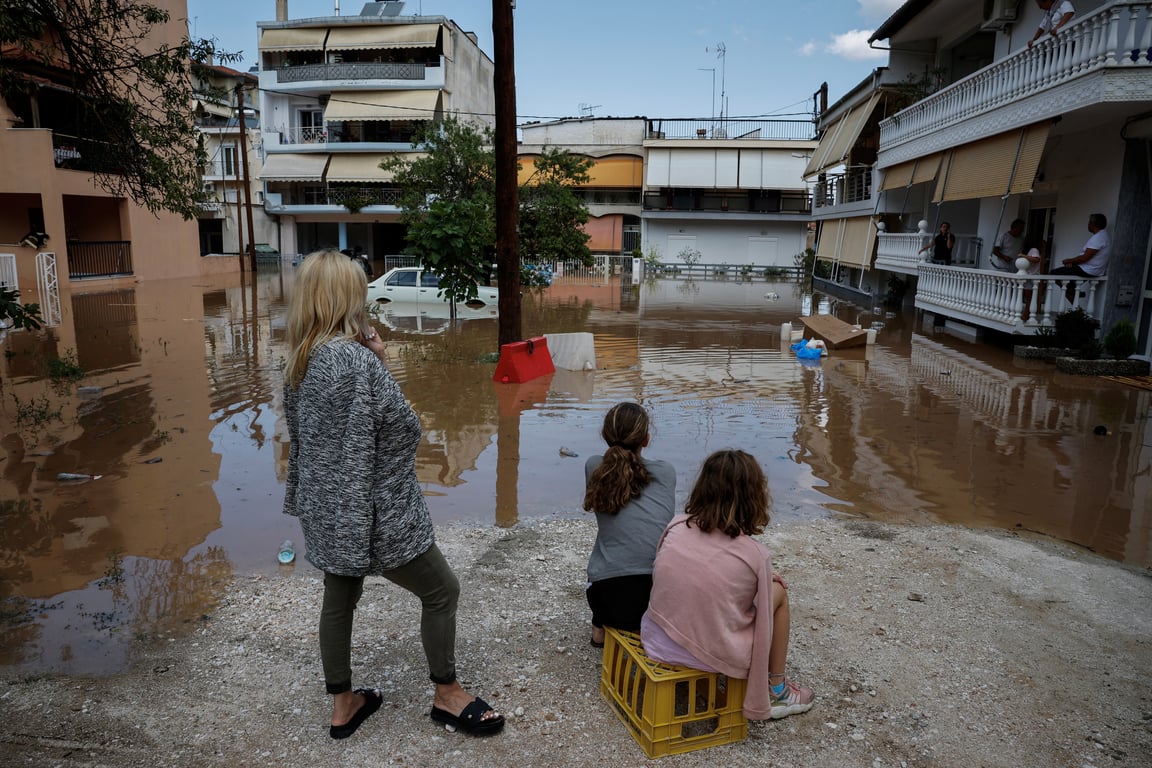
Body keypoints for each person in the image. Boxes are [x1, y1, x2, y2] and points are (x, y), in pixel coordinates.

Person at [283, 250, 504, 740]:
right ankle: (447, 694)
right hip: (374, 508)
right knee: (442, 591)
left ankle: (343, 705)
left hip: (328, 507)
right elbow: (406, 427)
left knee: (339, 598)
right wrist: (381, 360)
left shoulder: (298, 361)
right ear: (346, 297)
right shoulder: (357, 361)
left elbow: (305, 439)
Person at [640, 449, 815, 721]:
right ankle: (777, 689)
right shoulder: (754, 555)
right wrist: (763, 579)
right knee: (778, 594)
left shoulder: (676, 525)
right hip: (710, 656)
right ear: (754, 497)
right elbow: (761, 618)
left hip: (656, 640)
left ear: (702, 488)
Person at [583, 402, 676, 648]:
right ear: (646, 439)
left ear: (604, 435)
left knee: (610, 549)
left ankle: (599, 628)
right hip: (661, 600)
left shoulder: (594, 467)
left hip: (607, 600)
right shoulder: (666, 472)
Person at [1050, 213, 1110, 303]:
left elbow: (1084, 258)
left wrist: (1068, 260)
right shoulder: (1103, 235)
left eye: (1089, 222)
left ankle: (1076, 293)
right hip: (1090, 268)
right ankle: (1075, 305)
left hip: (1088, 270)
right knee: (1067, 285)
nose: (1088, 224)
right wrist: (1073, 263)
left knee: (1053, 274)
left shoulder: (1099, 237)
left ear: (1093, 224)